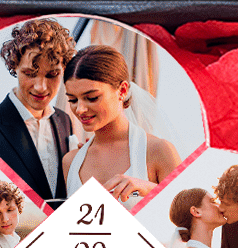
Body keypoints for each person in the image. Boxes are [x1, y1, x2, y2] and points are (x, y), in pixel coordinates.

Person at [0, 19, 77, 203]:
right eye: (30, 73)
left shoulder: (65, 121)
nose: (41, 87)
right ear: (15, 67)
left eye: (52, 74)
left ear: (64, 70)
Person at [61, 45, 180, 209]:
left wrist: (151, 190)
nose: (80, 109)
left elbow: (188, 215)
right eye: (73, 100)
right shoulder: (70, 162)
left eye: (92, 98)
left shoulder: (158, 151)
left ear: (122, 91)